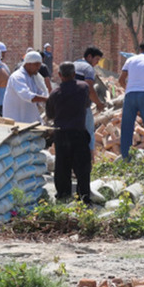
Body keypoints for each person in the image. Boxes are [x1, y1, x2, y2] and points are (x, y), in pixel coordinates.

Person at [46, 62, 91, 204]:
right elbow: (87, 104)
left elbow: (50, 114)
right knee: (82, 167)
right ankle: (83, 196)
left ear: (59, 75)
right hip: (78, 132)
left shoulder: (55, 93)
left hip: (61, 133)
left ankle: (63, 194)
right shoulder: (83, 88)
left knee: (62, 166)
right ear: (74, 74)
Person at [74, 46, 106, 159]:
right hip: (82, 105)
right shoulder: (88, 69)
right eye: (96, 59)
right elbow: (89, 89)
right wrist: (99, 103)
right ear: (89, 56)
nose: (97, 63)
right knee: (89, 133)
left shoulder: (72, 65)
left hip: (68, 105)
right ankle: (90, 161)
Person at [3, 51, 49, 122]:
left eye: (39, 65)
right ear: (28, 64)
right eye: (36, 65)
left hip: (29, 120)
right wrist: (46, 99)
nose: (38, 68)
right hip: (16, 120)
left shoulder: (33, 77)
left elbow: (40, 93)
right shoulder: (17, 77)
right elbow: (26, 95)